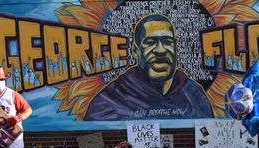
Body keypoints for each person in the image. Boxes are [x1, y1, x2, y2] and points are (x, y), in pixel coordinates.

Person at [85, 14, 213, 121]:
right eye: (150, 42)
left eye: (167, 42)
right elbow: (92, 142)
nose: (160, 50)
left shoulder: (194, 94)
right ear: (135, 50)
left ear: (176, 47)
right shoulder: (110, 100)